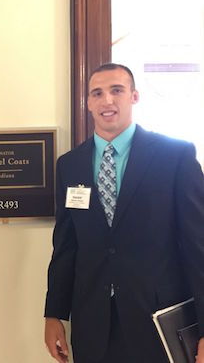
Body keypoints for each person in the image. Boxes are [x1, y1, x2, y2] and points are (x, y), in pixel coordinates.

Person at [44, 63, 204, 363]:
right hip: (93, 325)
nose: (107, 100)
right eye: (97, 93)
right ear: (88, 102)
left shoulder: (175, 156)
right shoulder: (70, 165)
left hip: (158, 323)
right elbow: (66, 247)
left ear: (134, 96)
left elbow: (198, 247)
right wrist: (54, 314)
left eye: (116, 90)